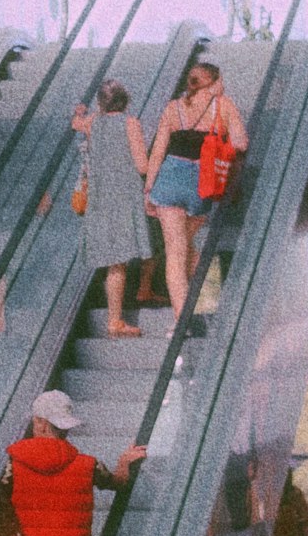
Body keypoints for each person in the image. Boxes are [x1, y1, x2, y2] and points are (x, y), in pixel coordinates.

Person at [5, 391, 146, 536]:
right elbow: (119, 483)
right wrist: (124, 462)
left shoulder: (13, 466)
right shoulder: (89, 466)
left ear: (39, 422)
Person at [144, 61, 248, 322]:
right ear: (212, 82)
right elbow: (241, 142)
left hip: (168, 181)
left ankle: (182, 320)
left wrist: (148, 190)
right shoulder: (223, 105)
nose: (223, 85)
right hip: (202, 183)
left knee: (176, 254)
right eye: (221, 80)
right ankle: (208, 301)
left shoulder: (172, 108)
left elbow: (158, 152)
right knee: (185, 245)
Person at [72, 80, 152, 338]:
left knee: (114, 261)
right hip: (124, 198)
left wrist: (83, 112)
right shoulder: (131, 124)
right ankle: (115, 320)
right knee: (118, 263)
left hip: (100, 200)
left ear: (101, 103)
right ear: (126, 100)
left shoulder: (93, 124)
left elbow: (77, 123)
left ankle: (128, 305)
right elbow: (142, 166)